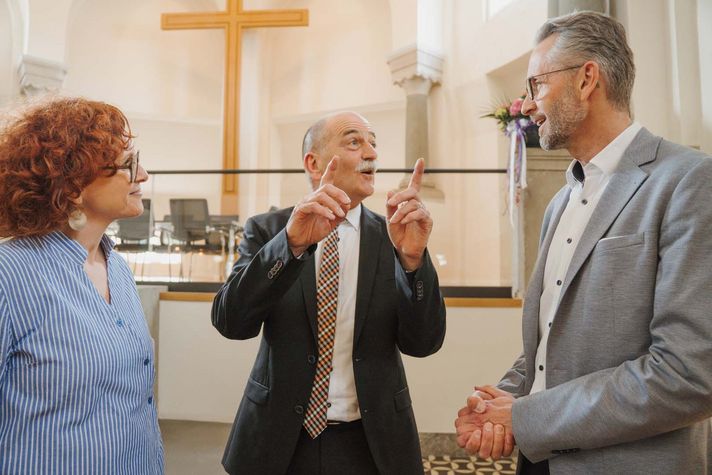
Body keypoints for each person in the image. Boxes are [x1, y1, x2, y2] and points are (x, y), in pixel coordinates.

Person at [454, 10, 712, 475]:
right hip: (540, 462)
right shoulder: (560, 201)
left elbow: (687, 374)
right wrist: (503, 400)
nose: (527, 105)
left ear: (587, 79)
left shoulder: (687, 181)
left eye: (537, 84)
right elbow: (550, 345)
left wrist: (524, 416)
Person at [212, 111, 446, 474]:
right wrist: (290, 245)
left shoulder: (394, 237)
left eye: (373, 144)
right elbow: (231, 322)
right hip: (278, 440)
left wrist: (413, 262)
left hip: (372, 443)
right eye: (354, 141)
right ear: (314, 163)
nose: (371, 153)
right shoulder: (269, 230)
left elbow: (423, 343)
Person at [0, 97, 164, 473]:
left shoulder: (117, 267)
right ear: (73, 184)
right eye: (129, 164)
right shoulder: (9, 276)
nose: (142, 175)